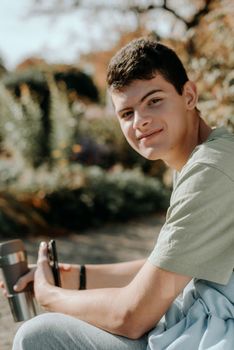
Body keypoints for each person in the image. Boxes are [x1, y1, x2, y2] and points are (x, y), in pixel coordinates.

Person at [1, 37, 234, 349]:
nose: (141, 121)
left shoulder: (210, 169)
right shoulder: (204, 156)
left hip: (209, 336)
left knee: (39, 335)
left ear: (189, 95)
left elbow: (132, 316)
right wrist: (71, 276)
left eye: (154, 101)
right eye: (127, 113)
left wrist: (51, 296)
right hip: (196, 325)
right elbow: (165, 267)